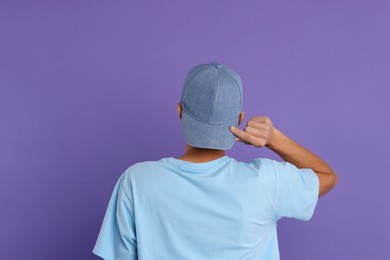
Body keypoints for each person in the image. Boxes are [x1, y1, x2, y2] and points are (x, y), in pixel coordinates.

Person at [92, 61, 338, 260]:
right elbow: (326, 177)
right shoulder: (265, 181)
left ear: (180, 111)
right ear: (240, 118)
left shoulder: (137, 181)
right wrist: (273, 138)